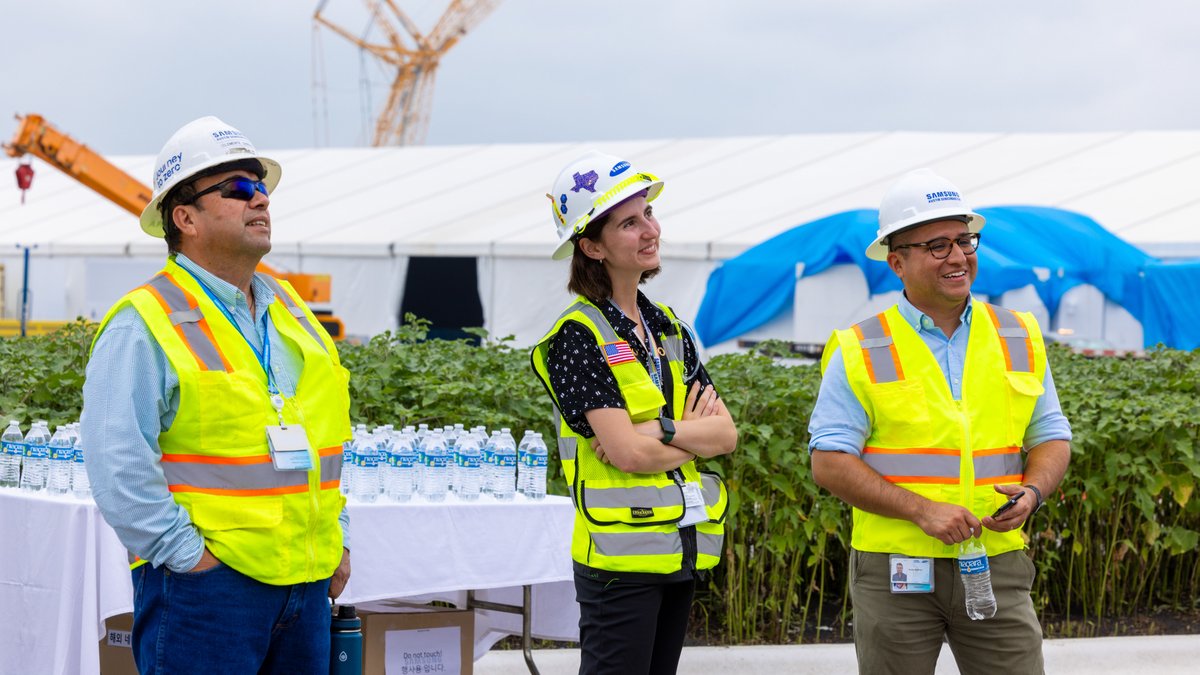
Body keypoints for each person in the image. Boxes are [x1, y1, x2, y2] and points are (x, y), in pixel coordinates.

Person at [81, 116, 352, 674]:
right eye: (239, 188)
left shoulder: (294, 314)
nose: (261, 200)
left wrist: (337, 539)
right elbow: (118, 465)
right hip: (208, 593)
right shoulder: (143, 322)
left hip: (306, 585)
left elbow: (330, 441)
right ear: (185, 218)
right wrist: (191, 560)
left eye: (263, 187)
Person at [808, 168, 1071, 675]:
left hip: (996, 561)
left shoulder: (1019, 333)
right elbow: (829, 462)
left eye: (964, 239)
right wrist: (921, 511)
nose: (957, 256)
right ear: (896, 262)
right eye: (936, 245)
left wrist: (1034, 492)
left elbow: (1051, 435)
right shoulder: (859, 346)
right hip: (894, 571)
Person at [530, 151, 738, 675]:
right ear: (592, 246)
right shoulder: (577, 337)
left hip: (678, 546)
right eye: (630, 222)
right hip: (619, 559)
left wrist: (661, 429)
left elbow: (726, 434)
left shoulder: (668, 326)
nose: (651, 230)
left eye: (648, 214)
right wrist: (687, 431)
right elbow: (625, 453)